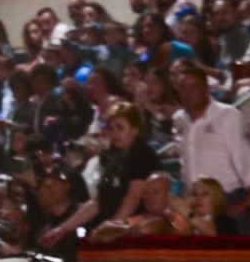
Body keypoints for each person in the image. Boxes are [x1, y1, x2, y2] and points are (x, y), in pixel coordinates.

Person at [39, 101, 161, 246]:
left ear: (134, 129)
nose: (114, 133)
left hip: (132, 233)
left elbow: (132, 200)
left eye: (120, 128)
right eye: (111, 128)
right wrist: (62, 229)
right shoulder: (116, 159)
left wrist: (110, 231)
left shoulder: (142, 155)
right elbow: (97, 202)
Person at [171, 60, 250, 198]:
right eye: (183, 88)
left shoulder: (228, 115)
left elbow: (248, 163)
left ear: (206, 88)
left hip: (227, 198)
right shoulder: (178, 119)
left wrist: (247, 201)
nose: (188, 93)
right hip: (195, 200)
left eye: (193, 87)